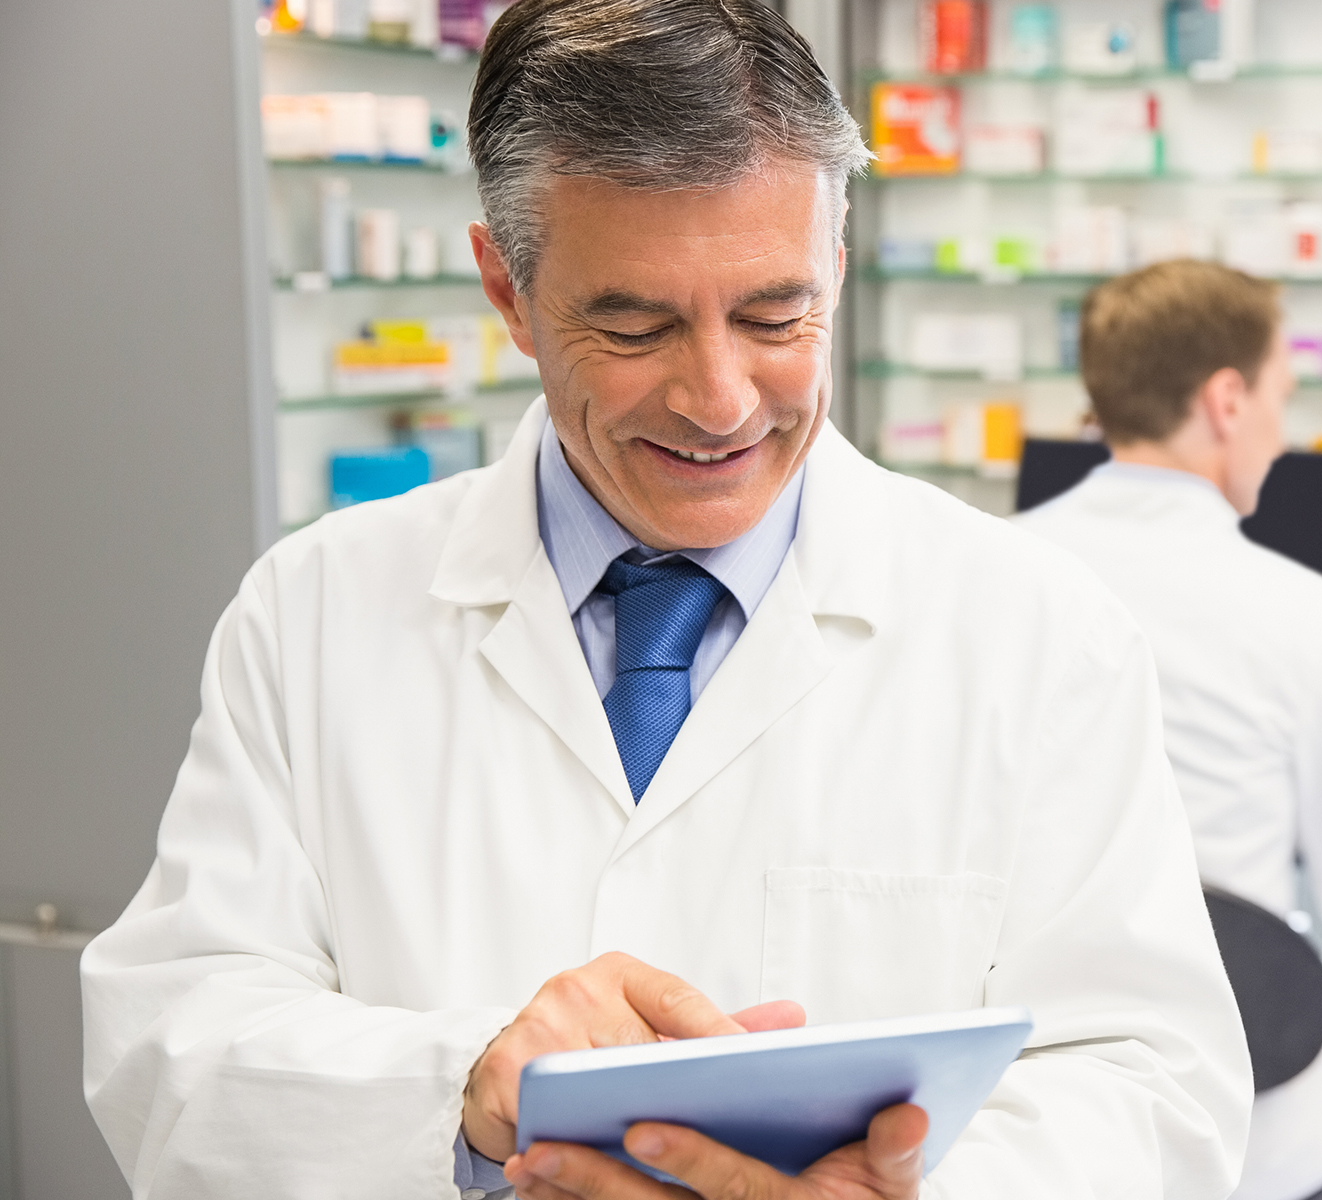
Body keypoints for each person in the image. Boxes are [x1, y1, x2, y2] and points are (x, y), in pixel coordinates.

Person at [78, 2, 1253, 1197]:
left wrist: (912, 1186)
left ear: (836, 259)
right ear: (507, 291)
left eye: (774, 314)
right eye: (634, 324)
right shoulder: (314, 614)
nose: (721, 399)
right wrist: (467, 1087)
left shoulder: (1037, 634)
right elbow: (172, 1047)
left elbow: (1157, 1086)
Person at [1016, 261, 1322, 1200]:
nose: (1282, 436)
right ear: (1225, 400)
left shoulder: (986, 571)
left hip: (1018, 1051)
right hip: (1218, 1062)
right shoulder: (1314, 617)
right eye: (1281, 400)